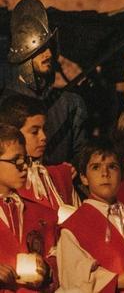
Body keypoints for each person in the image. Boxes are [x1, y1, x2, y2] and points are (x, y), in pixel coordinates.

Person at [56, 137, 124, 293]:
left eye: (112, 167)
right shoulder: (74, 227)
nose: (105, 173)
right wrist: (118, 281)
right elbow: (74, 280)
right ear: (84, 178)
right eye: (96, 167)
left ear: (122, 175)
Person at [2, 0, 89, 165]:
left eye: (49, 48)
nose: (48, 54)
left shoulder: (70, 104)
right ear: (25, 52)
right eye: (40, 49)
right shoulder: (4, 104)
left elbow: (81, 158)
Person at [0, 123, 56, 293]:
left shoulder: (44, 214)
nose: (24, 166)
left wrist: (47, 268)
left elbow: (60, 259)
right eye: (16, 160)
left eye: (25, 160)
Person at [0, 94, 79, 211]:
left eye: (44, 129)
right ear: (13, 132)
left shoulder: (57, 174)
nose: (44, 137)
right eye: (34, 132)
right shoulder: (8, 180)